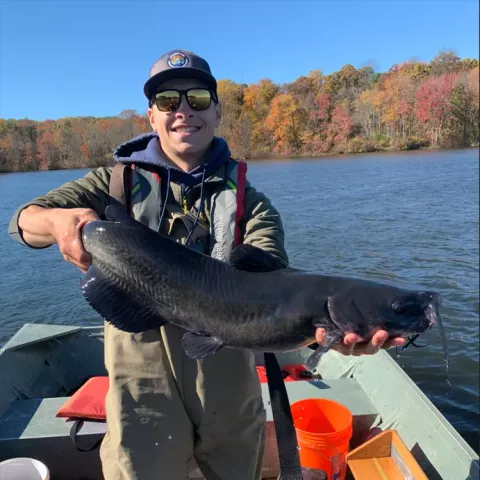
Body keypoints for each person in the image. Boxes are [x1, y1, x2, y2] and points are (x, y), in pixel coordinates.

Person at [8, 49, 406, 480]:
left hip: (227, 375)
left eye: (197, 98)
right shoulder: (111, 184)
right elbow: (22, 221)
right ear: (151, 115)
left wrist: (324, 333)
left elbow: (275, 295)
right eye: (168, 101)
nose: (183, 111)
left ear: (216, 111)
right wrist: (55, 221)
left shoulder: (251, 204)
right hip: (140, 378)